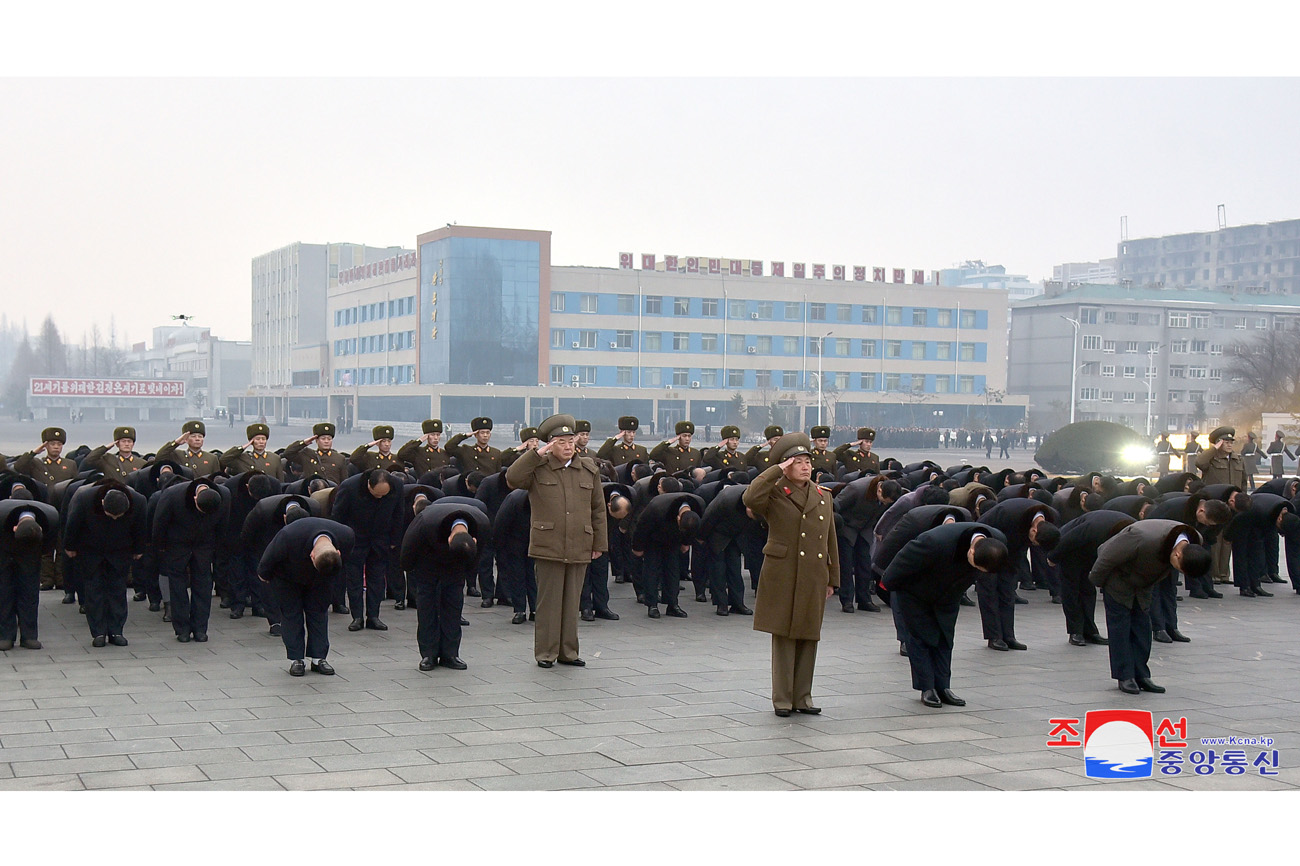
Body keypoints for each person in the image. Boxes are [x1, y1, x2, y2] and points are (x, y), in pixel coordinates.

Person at [742, 433, 839, 717]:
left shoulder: (823, 496)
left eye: (807, 461)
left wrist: (833, 578)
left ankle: (803, 697)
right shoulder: (773, 492)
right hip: (783, 572)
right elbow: (750, 497)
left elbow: (830, 539)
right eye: (798, 462)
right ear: (786, 466)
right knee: (784, 635)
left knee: (809, 635)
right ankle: (783, 699)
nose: (805, 466)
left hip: (813, 573)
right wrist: (775, 471)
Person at [505, 413, 607, 669]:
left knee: (572, 602)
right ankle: (546, 653)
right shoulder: (538, 468)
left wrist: (599, 544)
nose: (568, 446)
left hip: (579, 543)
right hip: (548, 543)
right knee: (549, 602)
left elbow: (598, 509)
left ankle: (568, 652)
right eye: (561, 441)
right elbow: (513, 479)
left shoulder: (588, 469)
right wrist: (535, 454)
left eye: (570, 440)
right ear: (550, 444)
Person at [882, 522, 1009, 708]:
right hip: (916, 592)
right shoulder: (935, 541)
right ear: (972, 551)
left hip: (950, 593)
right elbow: (903, 560)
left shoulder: (998, 543)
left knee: (945, 637)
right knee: (919, 638)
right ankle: (927, 688)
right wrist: (887, 585)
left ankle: (943, 687)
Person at [1088, 519, 1210, 695]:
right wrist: (1098, 583)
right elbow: (1106, 555)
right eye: (1180, 570)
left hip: (1145, 583)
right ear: (1177, 555)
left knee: (1143, 627)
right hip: (1119, 579)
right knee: (1120, 628)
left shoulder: (1194, 540)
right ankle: (1125, 676)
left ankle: (1141, 675)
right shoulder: (1143, 538)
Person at [257, 514, 353, 677]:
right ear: (312, 556)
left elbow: (344, 564)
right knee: (291, 614)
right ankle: (296, 660)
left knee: (319, 613)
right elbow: (268, 558)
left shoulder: (346, 535)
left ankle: (319, 658)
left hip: (323, 577)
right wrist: (264, 576)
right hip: (287, 577)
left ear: (338, 551)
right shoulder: (289, 535)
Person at [401, 498, 491, 672]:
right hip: (427, 561)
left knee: (454, 606)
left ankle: (450, 654)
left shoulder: (482, 525)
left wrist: (466, 573)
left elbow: (477, 556)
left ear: (474, 538)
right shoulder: (426, 520)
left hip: (457, 566)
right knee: (427, 607)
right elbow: (408, 545)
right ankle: (428, 654)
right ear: (449, 539)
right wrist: (408, 570)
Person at [63, 481, 148, 648]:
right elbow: (72, 524)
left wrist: (139, 549)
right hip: (91, 550)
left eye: (118, 517)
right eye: (111, 515)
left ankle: (116, 631)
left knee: (117, 591)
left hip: (120, 551)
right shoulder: (85, 498)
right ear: (103, 503)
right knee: (94, 591)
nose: (115, 519)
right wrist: (70, 547)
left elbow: (140, 528)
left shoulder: (138, 501)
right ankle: (98, 632)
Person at [153, 477, 228, 642]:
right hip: (177, 545)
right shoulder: (172, 495)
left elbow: (223, 526)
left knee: (203, 585)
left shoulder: (224, 495)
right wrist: (160, 548)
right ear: (195, 498)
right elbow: (160, 523)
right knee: (178, 586)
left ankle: (200, 628)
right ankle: (182, 629)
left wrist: (218, 550)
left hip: (204, 545)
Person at [330, 468, 404, 631]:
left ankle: (373, 616)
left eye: (383, 495)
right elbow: (338, 516)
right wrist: (340, 541)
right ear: (369, 485)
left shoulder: (398, 485)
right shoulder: (350, 486)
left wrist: (394, 540)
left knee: (377, 579)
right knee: (354, 579)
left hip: (381, 538)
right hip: (355, 538)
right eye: (376, 494)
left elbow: (399, 514)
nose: (379, 498)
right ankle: (357, 617)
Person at [631, 486, 705, 618]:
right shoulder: (657, 506)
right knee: (652, 571)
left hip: (673, 542)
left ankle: (672, 604)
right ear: (678, 518)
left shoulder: (698, 506)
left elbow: (692, 529)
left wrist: (686, 543)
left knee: (673, 572)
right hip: (653, 539)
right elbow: (641, 527)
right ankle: (652, 604)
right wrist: (638, 547)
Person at [0, 497, 59, 651]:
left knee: (29, 594)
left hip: (31, 555)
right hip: (3, 551)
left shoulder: (51, 517)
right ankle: (5, 636)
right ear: (14, 528)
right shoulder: (1, 513)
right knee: (4, 593)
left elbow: (48, 547)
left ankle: (29, 636)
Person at [283, 423, 349, 485]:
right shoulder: (308, 455)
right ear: (317, 440)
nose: (326, 441)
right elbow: (288, 453)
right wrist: (304, 443)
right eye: (323, 439)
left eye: (329, 439)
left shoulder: (339, 458)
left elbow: (344, 482)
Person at [219, 422, 285, 480]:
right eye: (257, 439)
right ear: (252, 441)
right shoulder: (243, 458)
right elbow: (224, 459)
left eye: (263, 439)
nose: (261, 442)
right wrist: (243, 447)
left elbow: (280, 481)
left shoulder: (274, 458)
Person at [156, 420, 221, 477]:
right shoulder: (178, 455)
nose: (197, 439)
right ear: (186, 439)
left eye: (200, 436)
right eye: (193, 436)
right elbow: (160, 456)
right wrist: (176, 443)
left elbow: (216, 478)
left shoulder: (212, 458)